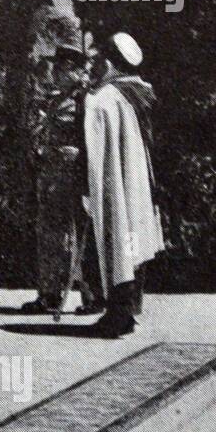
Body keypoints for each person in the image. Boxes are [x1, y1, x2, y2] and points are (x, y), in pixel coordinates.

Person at [83, 32, 164, 338]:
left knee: (118, 243)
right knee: (131, 244)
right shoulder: (133, 96)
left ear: (110, 63)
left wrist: (89, 188)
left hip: (116, 189)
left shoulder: (104, 99)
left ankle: (118, 315)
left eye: (98, 60)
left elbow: (96, 150)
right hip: (135, 190)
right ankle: (126, 312)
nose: (93, 66)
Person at [22, 8, 98, 316]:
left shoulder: (85, 101)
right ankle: (49, 294)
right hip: (51, 176)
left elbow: (90, 140)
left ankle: (93, 296)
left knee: (82, 237)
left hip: (74, 176)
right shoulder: (56, 99)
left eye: (62, 68)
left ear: (75, 70)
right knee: (51, 235)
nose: (55, 73)